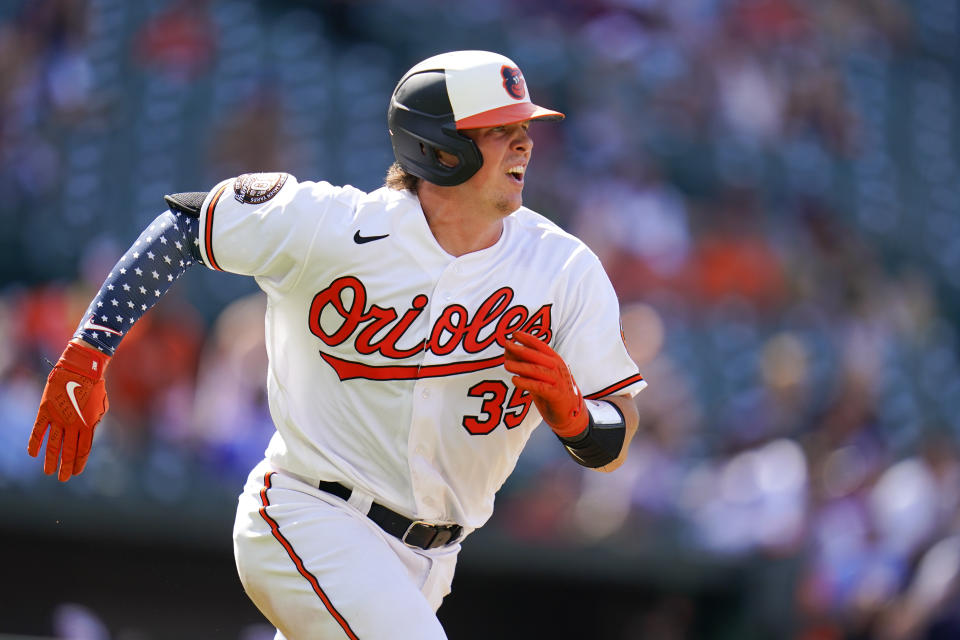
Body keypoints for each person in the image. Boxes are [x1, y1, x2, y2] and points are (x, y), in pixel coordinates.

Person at [29, 50, 647, 639]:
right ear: (439, 147)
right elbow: (188, 224)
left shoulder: (565, 269)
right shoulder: (334, 225)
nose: (524, 142)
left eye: (525, 127)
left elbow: (615, 435)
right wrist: (90, 350)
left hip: (433, 557)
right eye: (499, 128)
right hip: (310, 514)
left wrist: (577, 420)